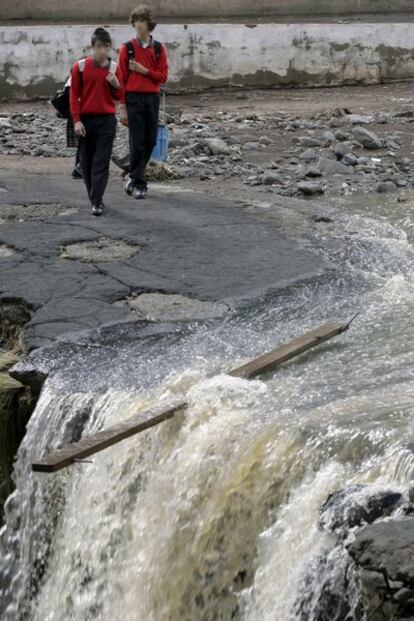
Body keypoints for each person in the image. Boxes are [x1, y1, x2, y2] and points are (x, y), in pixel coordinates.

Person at [117, 5, 169, 200]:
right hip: (134, 99)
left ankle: (132, 174)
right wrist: (122, 106)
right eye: (135, 21)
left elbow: (162, 76)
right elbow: (120, 78)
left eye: (142, 21)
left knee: (150, 140)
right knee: (137, 142)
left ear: (149, 24)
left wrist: (143, 70)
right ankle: (139, 183)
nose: (138, 25)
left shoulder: (158, 49)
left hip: (152, 99)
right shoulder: (127, 48)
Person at [70, 27, 122, 216]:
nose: (102, 50)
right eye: (98, 46)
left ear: (109, 48)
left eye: (105, 47)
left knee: (101, 162)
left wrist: (117, 85)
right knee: (86, 163)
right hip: (85, 121)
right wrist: (76, 120)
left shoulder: (114, 68)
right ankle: (94, 197)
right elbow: (74, 95)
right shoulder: (80, 67)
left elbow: (119, 95)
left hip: (107, 121)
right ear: (92, 47)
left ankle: (97, 202)